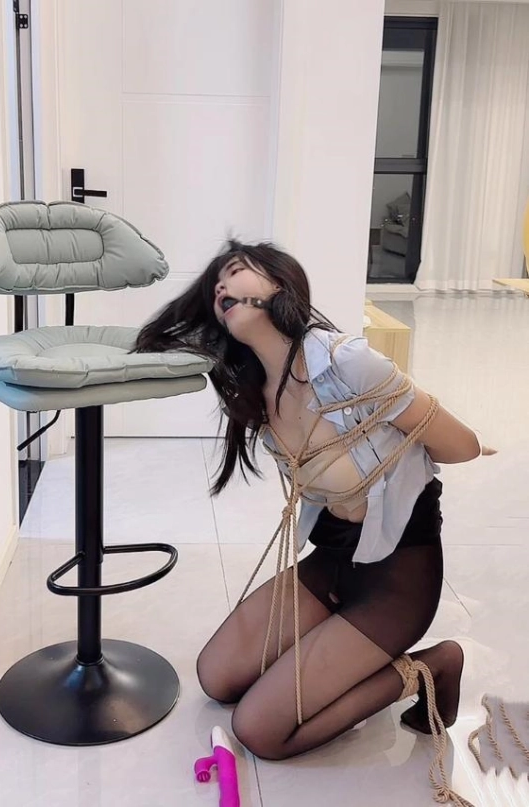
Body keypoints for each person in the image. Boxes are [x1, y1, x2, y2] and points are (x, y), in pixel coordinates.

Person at [134, 241, 494, 763]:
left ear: (279, 283)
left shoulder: (346, 361)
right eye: (214, 286)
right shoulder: (253, 389)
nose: (220, 287)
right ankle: (336, 640)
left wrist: (400, 422)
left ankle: (431, 668)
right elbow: (160, 345)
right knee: (217, 677)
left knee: (260, 731)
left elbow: (461, 447)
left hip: (396, 581)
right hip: (332, 562)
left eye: (234, 271)